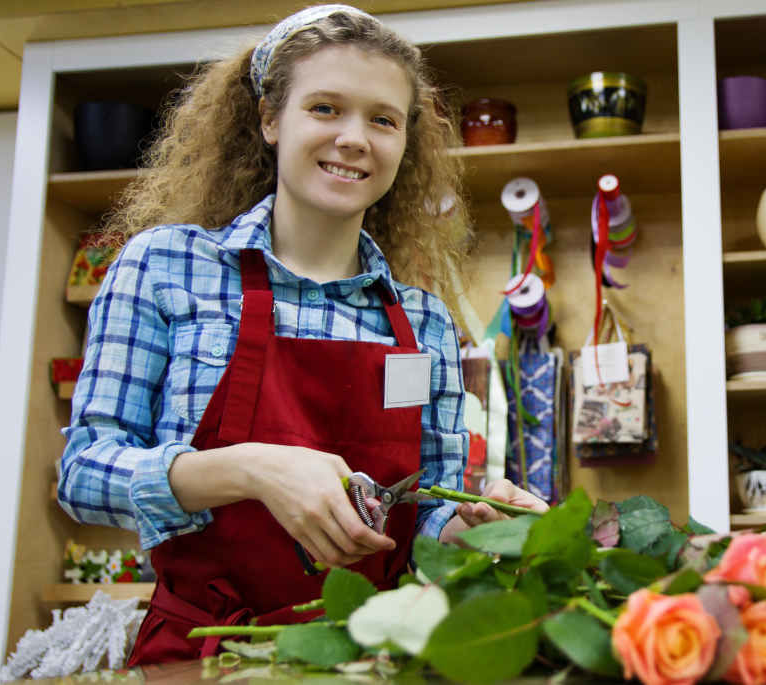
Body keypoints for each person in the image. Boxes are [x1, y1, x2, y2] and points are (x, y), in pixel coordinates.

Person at [57, 4, 547, 666]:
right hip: (201, 655)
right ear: (268, 119)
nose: (354, 138)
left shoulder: (422, 320)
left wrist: (479, 521)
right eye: (325, 108)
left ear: (405, 144)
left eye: (382, 119)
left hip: (369, 658)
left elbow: (424, 514)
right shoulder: (165, 265)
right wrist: (252, 467)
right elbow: (85, 471)